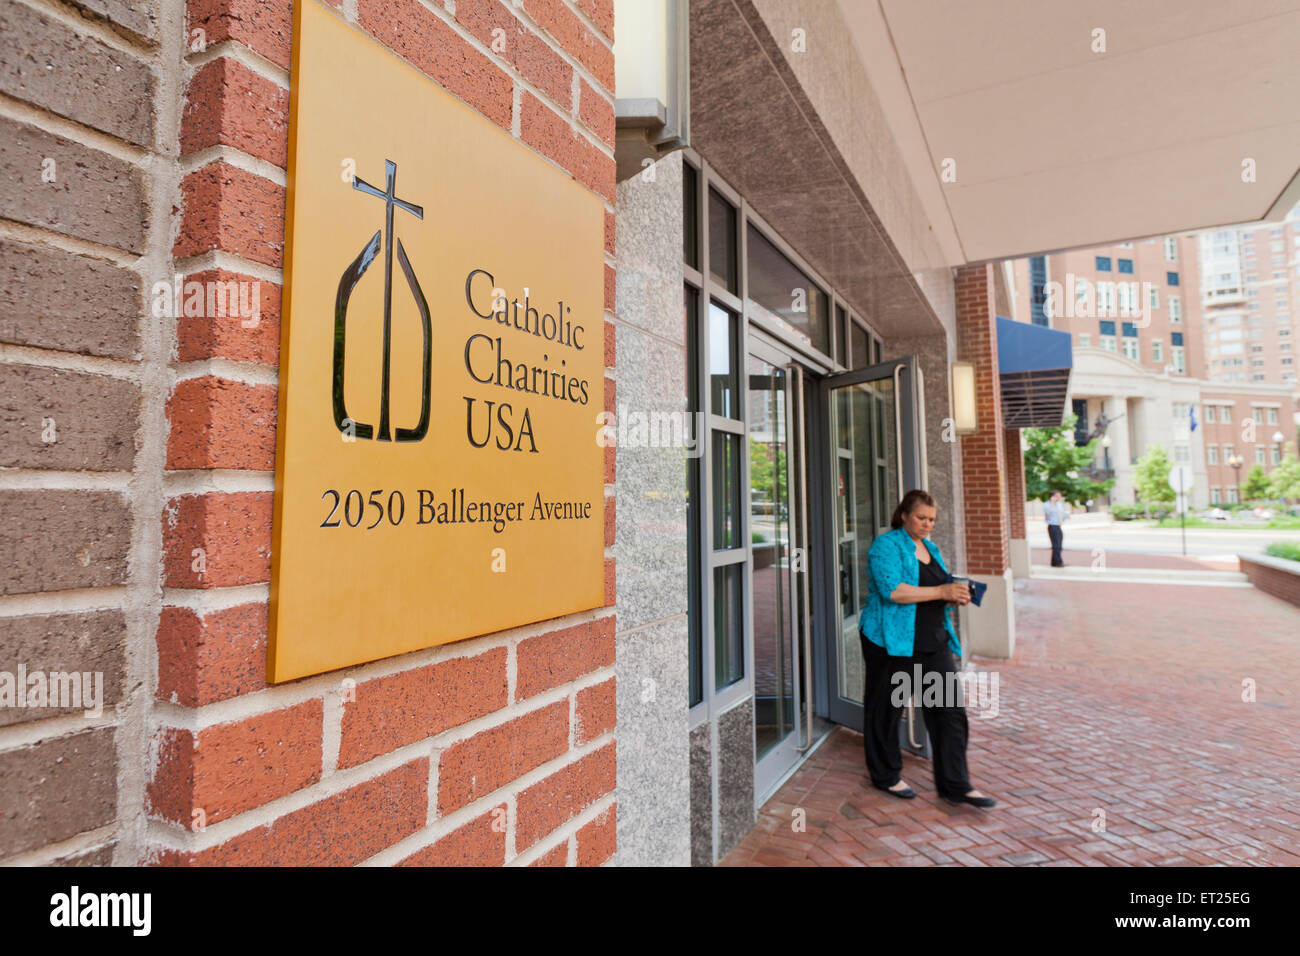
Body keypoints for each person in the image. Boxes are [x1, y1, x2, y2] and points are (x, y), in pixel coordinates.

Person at [858, 489, 995, 808]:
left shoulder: (931, 547)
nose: (927, 524)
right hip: (892, 643)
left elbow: (937, 589)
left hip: (933, 642)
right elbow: (893, 591)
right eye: (921, 517)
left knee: (950, 714)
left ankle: (956, 784)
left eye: (932, 519)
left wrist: (953, 594)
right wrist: (939, 590)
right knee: (887, 711)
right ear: (904, 515)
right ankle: (886, 776)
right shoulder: (886, 545)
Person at [1044, 490, 1069, 567]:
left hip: (1058, 526)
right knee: (1056, 545)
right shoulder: (1047, 504)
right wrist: (1052, 502)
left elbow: (1061, 515)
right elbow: (1047, 513)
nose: (1059, 497)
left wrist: (1066, 515)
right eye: (1058, 496)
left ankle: (1055, 562)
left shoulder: (1059, 505)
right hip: (1052, 526)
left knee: (1059, 545)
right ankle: (1058, 562)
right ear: (1053, 497)